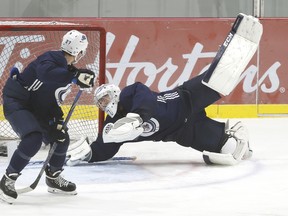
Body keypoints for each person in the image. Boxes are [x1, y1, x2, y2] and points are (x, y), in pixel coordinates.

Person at [66, 13, 262, 167]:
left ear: (115, 93)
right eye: (101, 103)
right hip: (183, 132)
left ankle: (242, 39)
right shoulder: (113, 126)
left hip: (186, 98)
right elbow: (106, 148)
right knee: (232, 148)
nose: (105, 104)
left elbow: (146, 99)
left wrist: (137, 118)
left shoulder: (129, 93)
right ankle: (235, 131)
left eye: (106, 98)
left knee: (219, 80)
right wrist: (90, 155)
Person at [0, 30, 95, 204]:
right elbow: (45, 74)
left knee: (61, 137)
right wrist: (74, 77)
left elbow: (48, 96)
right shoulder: (51, 58)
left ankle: (53, 177)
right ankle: (8, 179)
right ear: (80, 52)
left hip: (36, 105)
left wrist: (57, 118)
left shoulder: (67, 69)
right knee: (33, 138)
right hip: (17, 101)